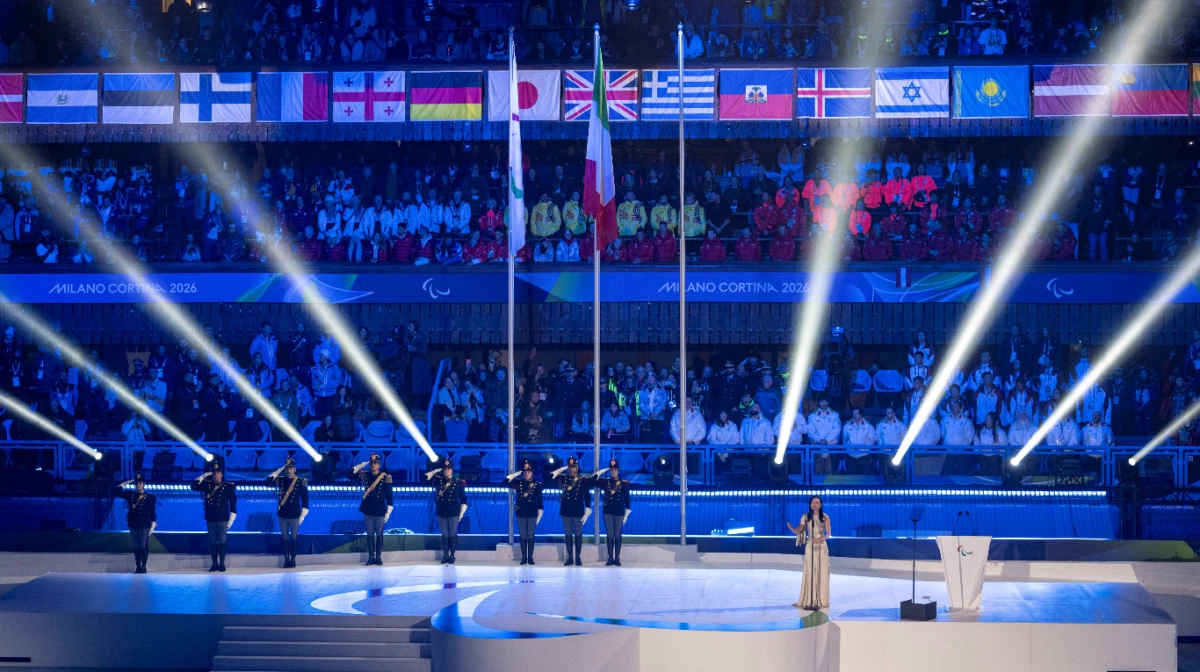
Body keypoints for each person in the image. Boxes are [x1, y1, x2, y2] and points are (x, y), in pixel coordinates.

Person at [191, 464, 237, 573]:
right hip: (211, 518)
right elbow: (193, 485)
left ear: (222, 474)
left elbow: (233, 505)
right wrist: (205, 474)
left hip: (222, 519)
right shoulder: (208, 486)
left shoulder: (227, 487)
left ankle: (222, 564)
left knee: (222, 542)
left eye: (218, 473)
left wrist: (231, 520)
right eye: (214, 473)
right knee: (212, 542)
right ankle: (214, 564)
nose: (216, 475)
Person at [787, 495, 830, 611]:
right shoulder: (806, 517)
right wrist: (791, 528)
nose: (814, 504)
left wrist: (821, 539)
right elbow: (799, 530)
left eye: (816, 503)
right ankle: (809, 600)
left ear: (820, 505)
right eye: (812, 502)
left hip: (821, 546)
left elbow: (828, 533)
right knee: (810, 572)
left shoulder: (825, 517)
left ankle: (820, 599)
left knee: (821, 571)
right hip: (810, 545)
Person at [424, 456, 468, 564]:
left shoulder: (457, 482)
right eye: (445, 469)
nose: (446, 471)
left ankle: (452, 555)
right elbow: (426, 477)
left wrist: (461, 512)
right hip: (442, 511)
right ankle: (445, 555)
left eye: (448, 469)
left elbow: (463, 499)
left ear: (452, 470)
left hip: (453, 511)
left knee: (452, 534)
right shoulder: (438, 480)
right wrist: (437, 470)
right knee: (445, 534)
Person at [551, 456, 595, 566]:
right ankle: (570, 557)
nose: (571, 469)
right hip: (566, 511)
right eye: (569, 467)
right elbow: (549, 476)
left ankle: (578, 557)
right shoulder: (563, 479)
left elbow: (587, 496)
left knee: (578, 534)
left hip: (578, 511)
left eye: (573, 467)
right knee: (568, 534)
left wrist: (587, 510)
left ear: (577, 468)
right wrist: (561, 469)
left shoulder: (583, 480)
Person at [352, 452, 393, 566]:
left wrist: (388, 512)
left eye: (375, 463)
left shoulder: (385, 477)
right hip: (368, 509)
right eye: (371, 463)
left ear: (379, 465)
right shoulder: (365, 475)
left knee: (379, 534)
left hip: (380, 509)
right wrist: (361, 465)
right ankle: (371, 557)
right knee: (370, 534)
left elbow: (390, 496)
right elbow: (349, 474)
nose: (373, 465)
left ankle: (378, 557)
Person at [267, 457, 309, 569]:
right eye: (287, 468)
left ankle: (293, 559)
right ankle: (286, 559)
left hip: (295, 514)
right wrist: (278, 470)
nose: (289, 471)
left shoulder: (300, 481)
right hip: (283, 514)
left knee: (294, 538)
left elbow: (305, 500)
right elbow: (267, 481)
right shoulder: (280, 480)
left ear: (294, 469)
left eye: (291, 468)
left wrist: (302, 515)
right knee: (284, 538)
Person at [505, 459, 544, 565]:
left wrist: (539, 515)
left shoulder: (537, 484)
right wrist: (518, 473)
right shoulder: (518, 482)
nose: (527, 474)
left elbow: (540, 500)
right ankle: (524, 557)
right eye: (525, 472)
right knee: (522, 535)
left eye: (529, 472)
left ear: (532, 473)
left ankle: (530, 557)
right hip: (521, 512)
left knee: (530, 535)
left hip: (532, 512)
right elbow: (506, 481)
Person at [117, 473, 157, 574]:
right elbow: (116, 491)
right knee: (136, 545)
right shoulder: (131, 495)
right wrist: (125, 483)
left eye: (140, 483)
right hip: (133, 522)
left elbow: (152, 511)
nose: (138, 485)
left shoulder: (150, 497)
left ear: (143, 484)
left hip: (144, 523)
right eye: (137, 483)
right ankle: (138, 566)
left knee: (143, 545)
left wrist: (153, 523)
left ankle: (143, 566)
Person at [595, 458, 631, 566]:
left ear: (618, 470)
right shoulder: (605, 482)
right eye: (611, 470)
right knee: (610, 535)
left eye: (615, 469)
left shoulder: (624, 484)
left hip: (619, 512)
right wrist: (602, 471)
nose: (613, 471)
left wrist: (626, 513)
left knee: (617, 535)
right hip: (608, 512)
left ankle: (617, 558)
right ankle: (610, 558)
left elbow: (627, 499)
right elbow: (593, 480)